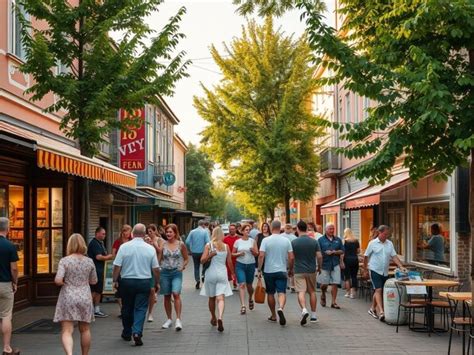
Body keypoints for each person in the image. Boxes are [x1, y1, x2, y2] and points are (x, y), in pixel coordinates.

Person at [113, 223, 160, 346]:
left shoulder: (124, 247)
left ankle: (127, 332)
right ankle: (137, 332)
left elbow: (117, 265)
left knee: (127, 307)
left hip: (127, 281)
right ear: (144, 234)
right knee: (140, 308)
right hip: (143, 282)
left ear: (133, 233)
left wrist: (115, 280)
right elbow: (155, 268)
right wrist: (157, 282)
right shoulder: (150, 249)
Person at [54, 233, 97, 355]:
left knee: (67, 330)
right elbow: (94, 281)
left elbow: (57, 280)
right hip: (84, 296)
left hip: (68, 296)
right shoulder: (89, 261)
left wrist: (65, 283)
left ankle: (69, 353)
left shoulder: (65, 261)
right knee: (85, 329)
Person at [363, 225, 406, 322]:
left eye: (388, 234)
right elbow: (366, 257)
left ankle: (372, 309)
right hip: (374, 269)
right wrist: (365, 269)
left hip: (385, 271)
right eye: (385, 234)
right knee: (379, 290)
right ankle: (381, 312)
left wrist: (401, 266)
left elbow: (394, 256)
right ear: (379, 232)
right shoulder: (372, 243)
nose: (386, 236)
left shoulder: (389, 244)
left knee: (378, 290)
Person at [258, 220, 294, 326]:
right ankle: (281, 308)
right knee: (281, 292)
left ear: (271, 227)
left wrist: (259, 269)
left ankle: (273, 315)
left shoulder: (265, 240)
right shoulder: (286, 240)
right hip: (282, 270)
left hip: (269, 271)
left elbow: (261, 256)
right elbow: (291, 257)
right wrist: (290, 269)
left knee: (270, 293)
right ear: (280, 228)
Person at [200, 227, 234, 332]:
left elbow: (202, 261)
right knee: (221, 298)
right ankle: (220, 317)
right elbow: (229, 262)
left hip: (210, 274)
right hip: (222, 274)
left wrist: (210, 255)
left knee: (211, 298)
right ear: (222, 235)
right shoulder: (226, 246)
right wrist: (232, 273)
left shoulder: (208, 246)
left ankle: (213, 317)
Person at [292, 220, 322, 325]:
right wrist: (320, 267)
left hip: (298, 270)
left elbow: (291, 257)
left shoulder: (294, 242)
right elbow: (319, 256)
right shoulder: (314, 241)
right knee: (312, 292)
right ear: (307, 229)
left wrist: (290, 269)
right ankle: (313, 316)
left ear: (298, 229)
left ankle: (304, 309)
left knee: (301, 291)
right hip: (311, 270)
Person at [158, 224, 189, 331]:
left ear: (175, 233)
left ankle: (178, 320)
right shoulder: (163, 244)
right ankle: (169, 319)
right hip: (165, 273)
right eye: (167, 232)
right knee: (166, 296)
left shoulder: (181, 244)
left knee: (176, 293)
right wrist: (158, 270)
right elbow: (159, 259)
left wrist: (183, 266)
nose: (168, 234)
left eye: (170, 232)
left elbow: (186, 258)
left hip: (176, 272)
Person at [0, 217, 19, 355]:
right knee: (6, 316)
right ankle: (6, 348)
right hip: (5, 284)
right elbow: (14, 269)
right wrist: (15, 282)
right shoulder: (10, 246)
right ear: (8, 229)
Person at [232, 223, 258, 315]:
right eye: (246, 230)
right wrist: (239, 254)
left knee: (249, 286)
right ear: (242, 231)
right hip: (240, 265)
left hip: (250, 265)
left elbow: (257, 254)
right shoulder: (238, 242)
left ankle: (250, 298)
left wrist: (253, 251)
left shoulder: (252, 241)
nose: (248, 231)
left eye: (249, 230)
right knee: (242, 284)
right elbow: (232, 254)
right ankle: (243, 306)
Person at [87, 227, 113, 318]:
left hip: (100, 270)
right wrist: (109, 257)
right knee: (94, 291)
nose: (104, 235)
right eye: (103, 233)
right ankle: (88, 310)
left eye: (105, 234)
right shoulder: (94, 243)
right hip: (96, 270)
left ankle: (96, 309)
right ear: (97, 233)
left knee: (98, 291)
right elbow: (98, 257)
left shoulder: (100, 243)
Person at [318, 223, 344, 309]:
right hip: (325, 264)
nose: (332, 230)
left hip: (335, 263)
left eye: (333, 229)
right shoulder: (320, 240)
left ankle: (333, 302)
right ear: (326, 230)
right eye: (330, 229)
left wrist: (334, 252)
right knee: (324, 284)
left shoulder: (338, 239)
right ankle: (323, 294)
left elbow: (342, 251)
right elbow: (318, 252)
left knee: (335, 283)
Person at [112, 225, 132, 318]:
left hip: (129, 268)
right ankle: (122, 309)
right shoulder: (118, 241)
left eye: (128, 231)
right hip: (120, 268)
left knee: (129, 290)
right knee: (119, 290)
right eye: (124, 231)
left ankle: (128, 309)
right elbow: (113, 253)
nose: (126, 233)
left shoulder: (132, 241)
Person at [186, 220, 210, 289]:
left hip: (194, 252)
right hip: (203, 252)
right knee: (205, 265)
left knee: (196, 267)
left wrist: (190, 249)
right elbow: (208, 242)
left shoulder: (192, 231)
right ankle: (203, 275)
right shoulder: (205, 232)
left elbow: (187, 241)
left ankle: (197, 280)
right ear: (203, 225)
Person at [145, 224, 162, 322]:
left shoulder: (158, 240)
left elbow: (160, 251)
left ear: (155, 231)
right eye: (148, 231)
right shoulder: (145, 240)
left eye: (151, 231)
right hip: (144, 268)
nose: (149, 233)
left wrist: (153, 244)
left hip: (154, 267)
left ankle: (150, 313)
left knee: (152, 289)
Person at [342, 228, 360, 299]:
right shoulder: (356, 241)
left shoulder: (344, 241)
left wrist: (341, 261)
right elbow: (358, 251)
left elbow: (342, 252)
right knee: (354, 276)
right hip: (355, 259)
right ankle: (353, 293)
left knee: (347, 277)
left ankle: (348, 292)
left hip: (346, 260)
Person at [223, 224, 240, 290]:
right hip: (228, 258)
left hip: (237, 258)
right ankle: (229, 284)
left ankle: (235, 283)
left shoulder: (239, 238)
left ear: (236, 229)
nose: (231, 230)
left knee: (236, 271)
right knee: (228, 272)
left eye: (233, 229)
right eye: (230, 229)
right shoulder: (225, 238)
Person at [281, 224, 297, 292]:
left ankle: (287, 284)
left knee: (286, 269)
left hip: (284, 256)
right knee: (291, 270)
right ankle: (292, 285)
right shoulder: (294, 237)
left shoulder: (281, 236)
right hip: (291, 255)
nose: (287, 229)